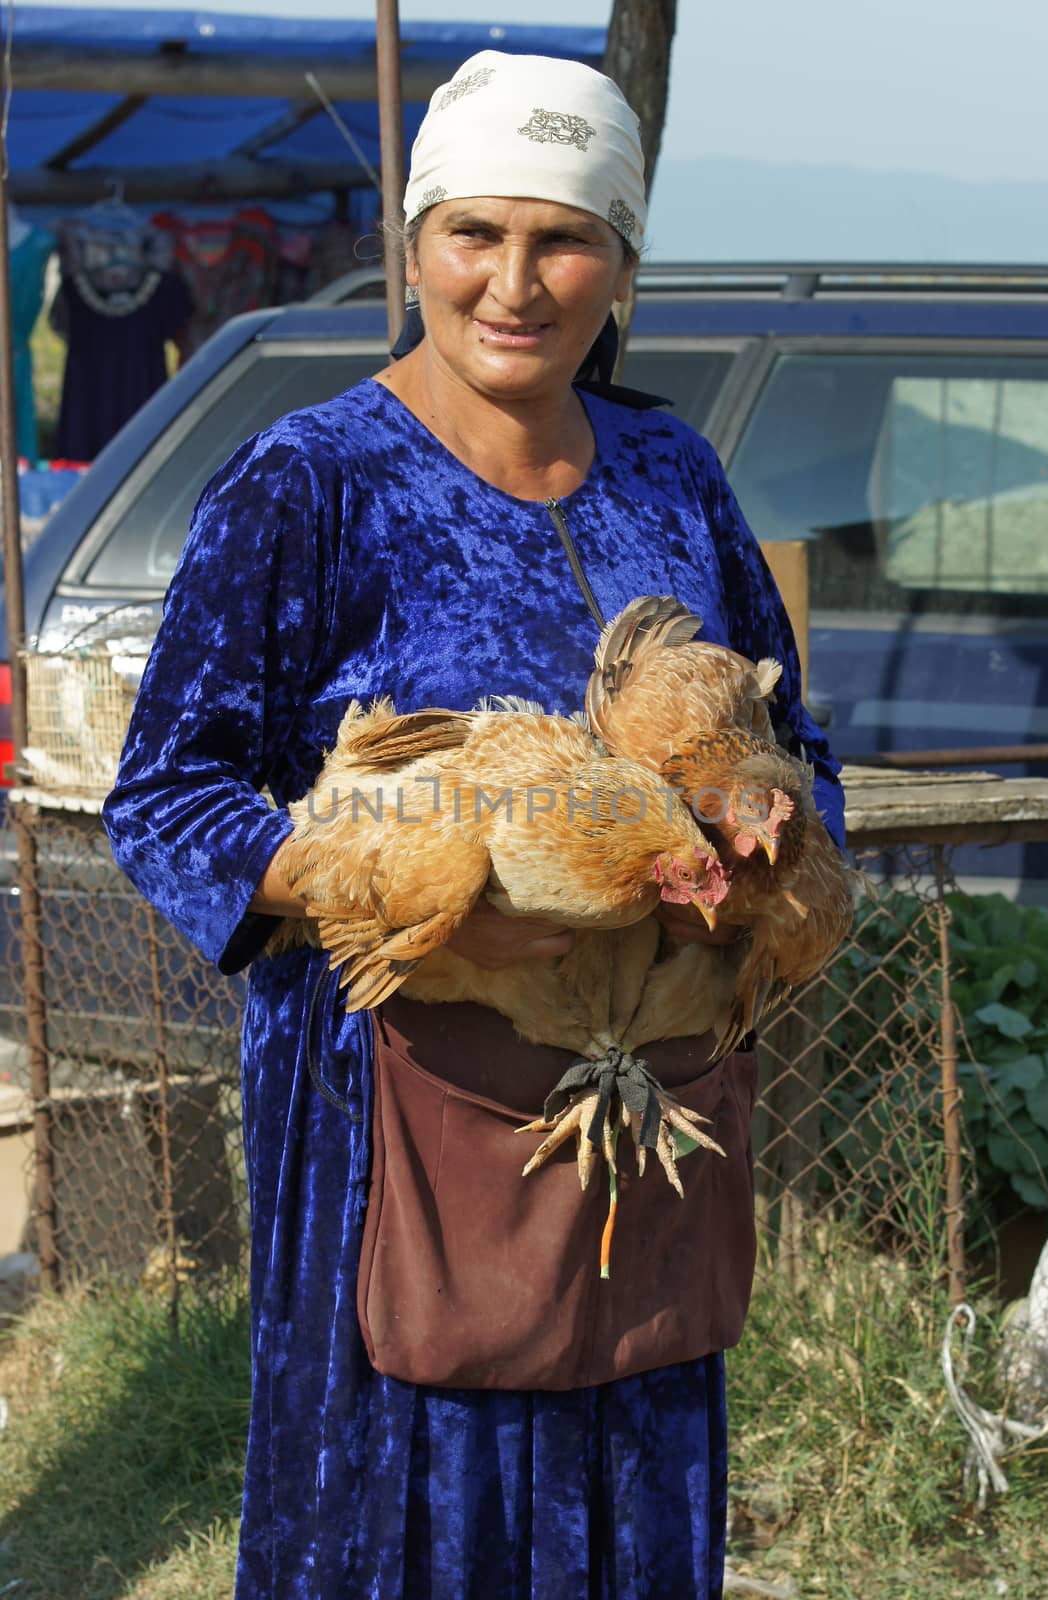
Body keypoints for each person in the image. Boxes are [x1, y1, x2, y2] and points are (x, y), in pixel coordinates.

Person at [103, 50, 844, 1600]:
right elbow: (168, 797)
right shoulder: (310, 485)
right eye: (475, 235)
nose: (516, 281)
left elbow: (798, 748)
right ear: (414, 243)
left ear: (624, 263)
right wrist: (410, 894)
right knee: (404, 1513)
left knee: (633, 1462)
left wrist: (763, 854)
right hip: (397, 1112)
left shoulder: (672, 475)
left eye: (563, 239)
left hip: (641, 1097)